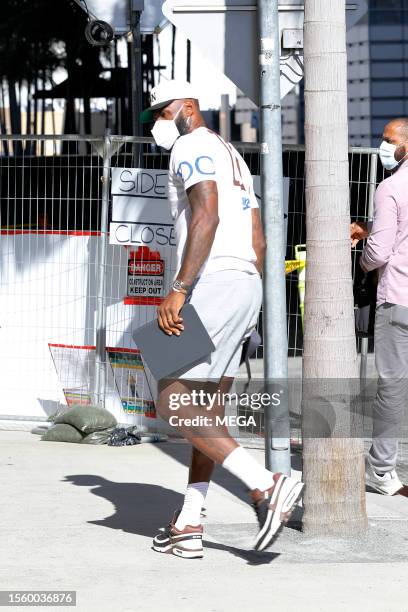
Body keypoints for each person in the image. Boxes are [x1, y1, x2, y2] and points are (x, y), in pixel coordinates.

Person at [140, 79, 304, 559]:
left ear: (187, 107)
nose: (155, 124)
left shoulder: (190, 144)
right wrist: (243, 294)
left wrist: (180, 289)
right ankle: (190, 520)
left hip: (210, 284)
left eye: (161, 113)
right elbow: (258, 241)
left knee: (174, 405)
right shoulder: (233, 156)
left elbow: (205, 216)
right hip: (243, 284)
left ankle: (266, 485)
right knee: (206, 411)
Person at [351, 118, 408, 497]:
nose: (382, 146)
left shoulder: (391, 188)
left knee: (392, 387)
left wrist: (362, 258)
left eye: (388, 140)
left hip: (398, 297)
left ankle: (382, 470)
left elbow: (380, 252)